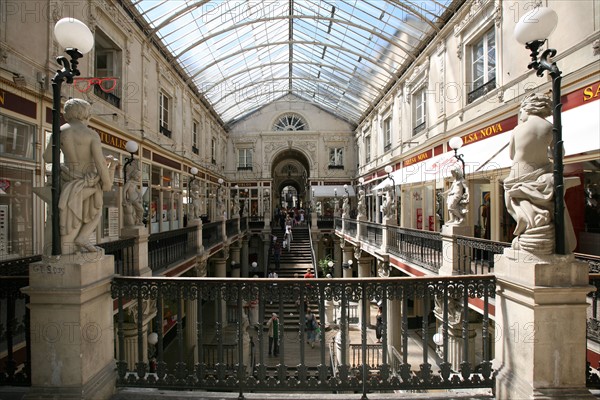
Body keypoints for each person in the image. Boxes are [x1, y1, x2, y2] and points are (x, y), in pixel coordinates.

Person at [504, 92, 578, 254]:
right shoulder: (550, 127)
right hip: (541, 171)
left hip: (518, 172)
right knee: (544, 199)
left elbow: (511, 154)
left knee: (513, 201)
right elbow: (559, 153)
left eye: (520, 112)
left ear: (526, 109)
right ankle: (539, 221)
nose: (520, 115)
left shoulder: (518, 129)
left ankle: (532, 225)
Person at [43, 98, 117, 254]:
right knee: (96, 211)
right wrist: (107, 181)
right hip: (88, 180)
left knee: (70, 211)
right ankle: (82, 238)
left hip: (68, 179)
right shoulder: (91, 134)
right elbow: (99, 162)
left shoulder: (60, 131)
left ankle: (69, 245)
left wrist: (63, 166)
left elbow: (48, 157)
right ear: (84, 112)